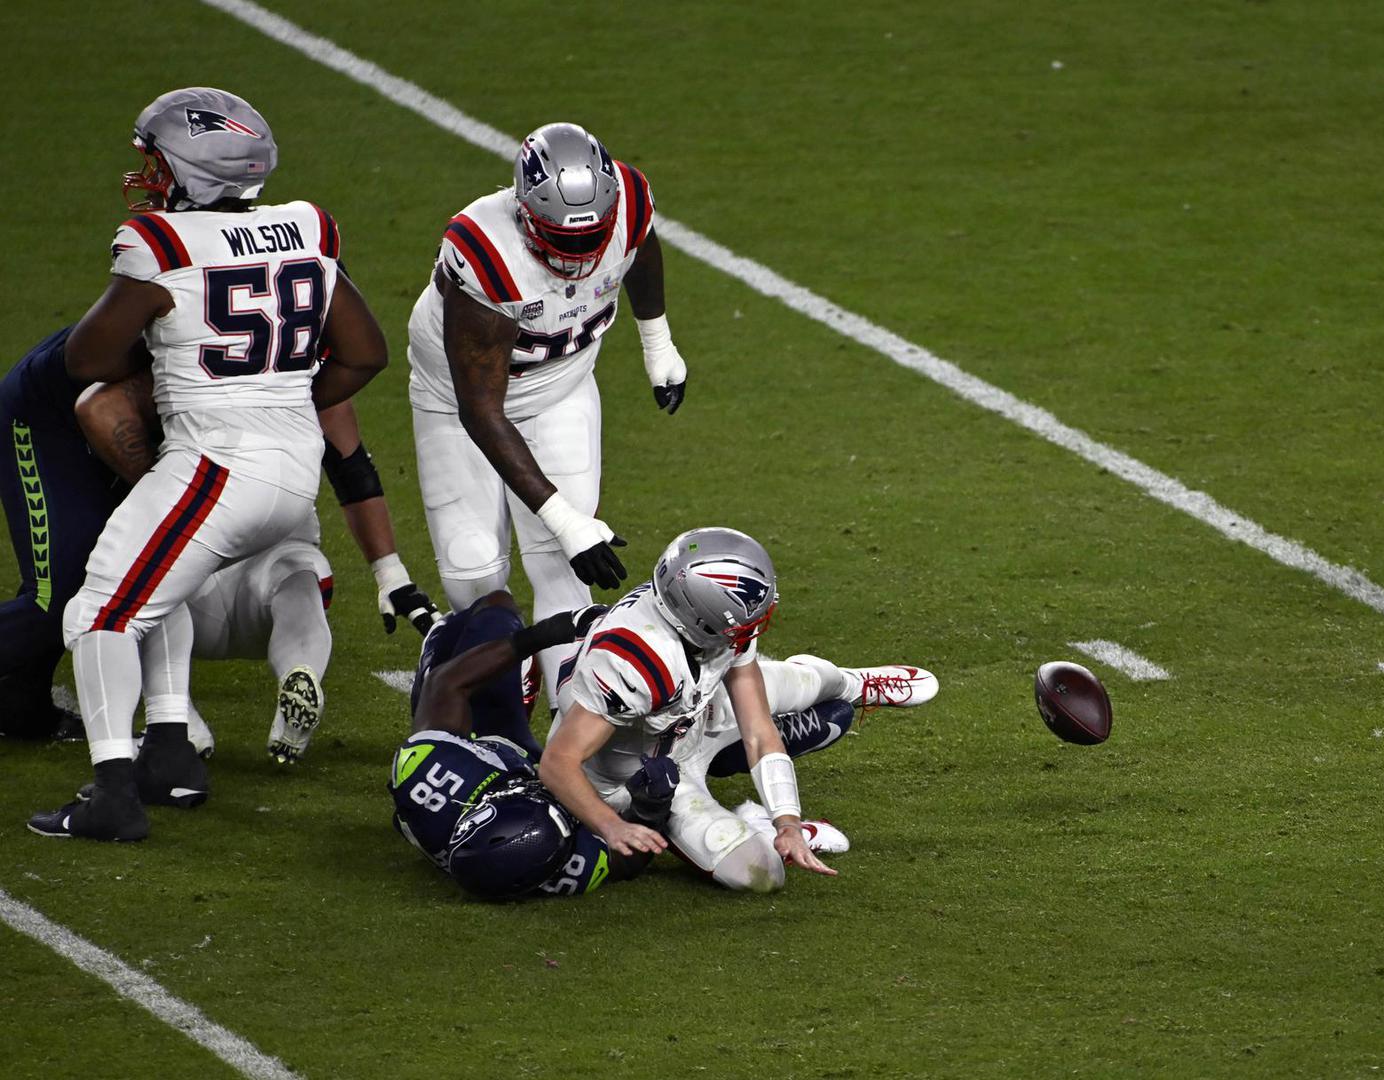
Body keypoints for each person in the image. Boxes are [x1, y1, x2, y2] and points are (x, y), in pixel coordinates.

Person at [28, 86, 387, 842]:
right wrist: (281, 397)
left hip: (219, 465)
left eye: (156, 161)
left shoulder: (162, 243)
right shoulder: (307, 226)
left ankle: (113, 795)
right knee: (156, 592)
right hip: (295, 460)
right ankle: (168, 754)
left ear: (191, 169)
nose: (149, 176)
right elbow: (364, 352)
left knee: (99, 612)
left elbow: (85, 358)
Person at [406, 121, 689, 705]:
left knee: (566, 568)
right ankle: (486, 686)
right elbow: (481, 411)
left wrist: (656, 342)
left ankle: (571, 721)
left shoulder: (628, 202)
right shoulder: (487, 253)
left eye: (594, 240)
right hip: (459, 402)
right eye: (566, 239)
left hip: (562, 384)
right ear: (525, 212)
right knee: (473, 576)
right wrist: (566, 519)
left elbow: (638, 249)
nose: (583, 256)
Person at [539, 527, 939, 893]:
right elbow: (558, 762)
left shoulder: (694, 615)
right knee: (759, 874)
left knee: (800, 684)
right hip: (641, 777)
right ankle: (755, 825)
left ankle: (853, 683)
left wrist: (790, 822)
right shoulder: (635, 662)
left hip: (690, 715)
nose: (759, 620)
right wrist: (611, 825)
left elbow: (759, 730)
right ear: (703, 619)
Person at [391, 591, 861, 899]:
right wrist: (644, 814)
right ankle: (743, 806)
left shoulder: (427, 774)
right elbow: (626, 858)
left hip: (502, 753)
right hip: (592, 764)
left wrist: (544, 634)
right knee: (751, 872)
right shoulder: (565, 866)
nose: (545, 801)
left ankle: (503, 664)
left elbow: (447, 686)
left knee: (493, 611)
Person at [75, 369, 437, 765]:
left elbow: (97, 405)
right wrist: (390, 573)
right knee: (301, 576)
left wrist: (153, 482)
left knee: (143, 576)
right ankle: (298, 673)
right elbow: (354, 471)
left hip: (194, 553)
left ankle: (178, 725)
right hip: (272, 540)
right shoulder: (305, 367)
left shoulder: (181, 355)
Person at [0, 327, 123, 740]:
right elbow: (93, 385)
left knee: (88, 572)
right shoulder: (172, 279)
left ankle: (19, 704)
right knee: (61, 596)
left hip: (105, 418)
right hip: (48, 415)